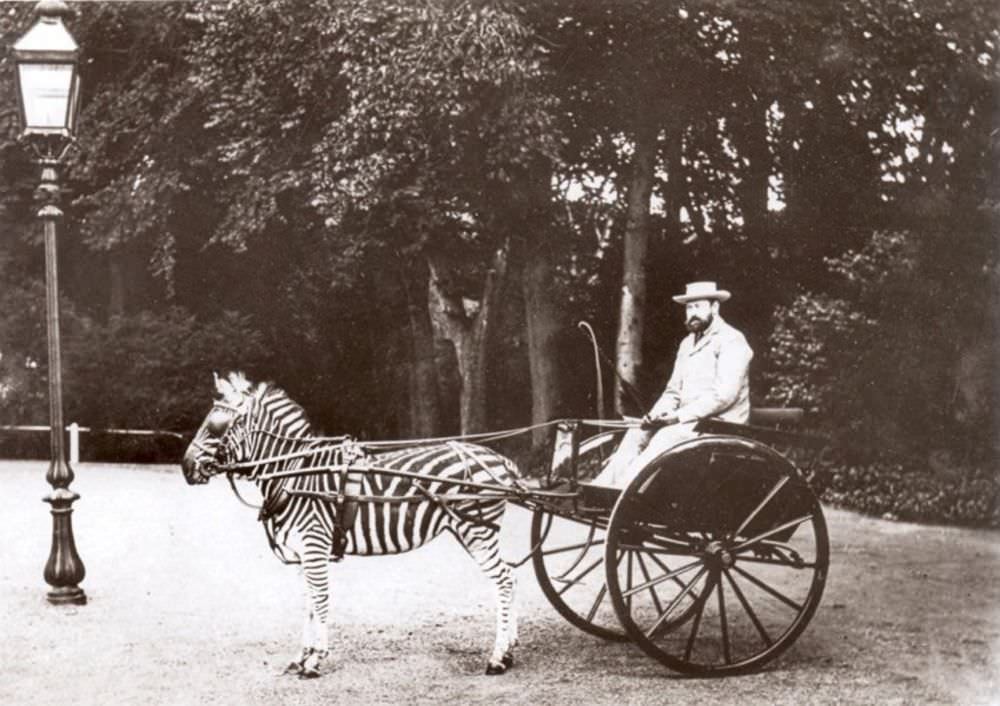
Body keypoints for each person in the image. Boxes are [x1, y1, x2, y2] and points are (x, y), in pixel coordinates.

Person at [589, 281, 753, 489]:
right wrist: (655, 415)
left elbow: (724, 395)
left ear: (714, 307)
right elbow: (673, 392)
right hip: (690, 423)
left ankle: (624, 492)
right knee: (638, 432)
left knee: (667, 436)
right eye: (688, 307)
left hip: (720, 425)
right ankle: (600, 488)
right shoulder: (687, 344)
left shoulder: (732, 340)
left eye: (698, 307)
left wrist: (678, 417)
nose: (692, 313)